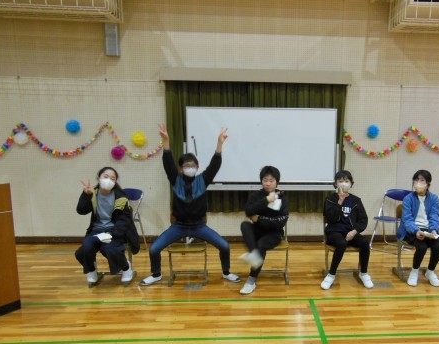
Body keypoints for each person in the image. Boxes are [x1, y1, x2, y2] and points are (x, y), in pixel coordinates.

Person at [140, 123, 241, 286]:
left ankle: (226, 272)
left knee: (224, 246)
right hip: (178, 226)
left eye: (193, 166)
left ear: (197, 167)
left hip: (198, 226)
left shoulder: (203, 180)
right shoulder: (175, 179)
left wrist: (219, 144)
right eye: (186, 166)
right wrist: (166, 141)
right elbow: (167, 162)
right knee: (154, 249)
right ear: (181, 169)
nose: (190, 168)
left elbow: (214, 165)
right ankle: (156, 274)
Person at [75, 167, 139, 284]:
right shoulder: (92, 193)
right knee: (85, 249)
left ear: (115, 182)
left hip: (114, 230)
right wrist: (86, 195)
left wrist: (113, 234)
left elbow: (124, 220)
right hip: (96, 230)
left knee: (109, 249)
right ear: (98, 178)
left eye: (112, 179)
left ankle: (126, 268)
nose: (108, 180)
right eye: (105, 177)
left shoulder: (121, 197)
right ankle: (92, 270)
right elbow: (81, 210)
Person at [238, 166, 289, 295]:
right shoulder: (256, 195)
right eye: (265, 180)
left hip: (274, 233)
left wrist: (259, 219)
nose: (268, 183)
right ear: (261, 181)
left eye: (271, 180)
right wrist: (266, 200)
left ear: (277, 182)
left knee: (261, 244)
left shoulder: (283, 198)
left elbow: (280, 223)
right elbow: (248, 212)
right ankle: (254, 255)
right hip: (257, 230)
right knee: (245, 225)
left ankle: (251, 280)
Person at [321, 170, 374, 290]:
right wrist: (340, 201)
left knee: (365, 242)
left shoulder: (356, 200)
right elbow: (331, 218)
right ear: (335, 184)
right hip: (334, 232)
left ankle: (363, 273)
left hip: (350, 232)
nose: (343, 183)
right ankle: (331, 275)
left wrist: (354, 231)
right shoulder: (330, 199)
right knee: (341, 243)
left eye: (346, 181)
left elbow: (363, 220)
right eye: (340, 181)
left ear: (351, 183)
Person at [397, 170, 439, 287]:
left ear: (428, 184)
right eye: (416, 180)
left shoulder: (434, 198)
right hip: (411, 229)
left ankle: (430, 271)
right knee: (421, 247)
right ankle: (414, 271)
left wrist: (434, 230)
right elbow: (407, 219)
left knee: (438, 247)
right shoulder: (408, 198)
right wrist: (416, 231)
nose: (418, 183)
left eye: (422, 180)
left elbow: (435, 216)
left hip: (428, 229)